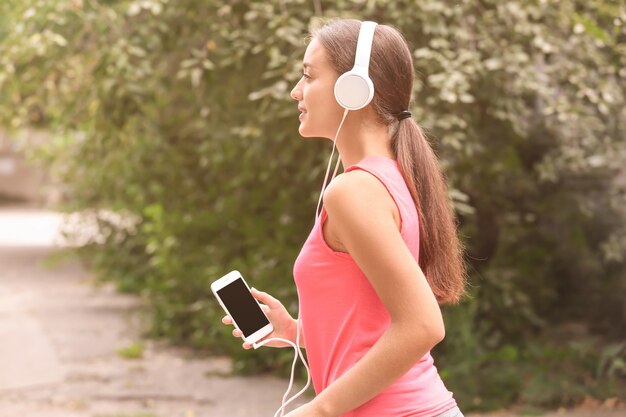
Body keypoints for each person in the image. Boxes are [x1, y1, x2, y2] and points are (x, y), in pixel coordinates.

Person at [222, 18, 466, 417]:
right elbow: (372, 325)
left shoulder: (354, 191)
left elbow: (423, 325)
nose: (294, 91)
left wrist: (320, 409)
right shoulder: (391, 177)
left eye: (308, 76)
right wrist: (294, 332)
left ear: (355, 89)